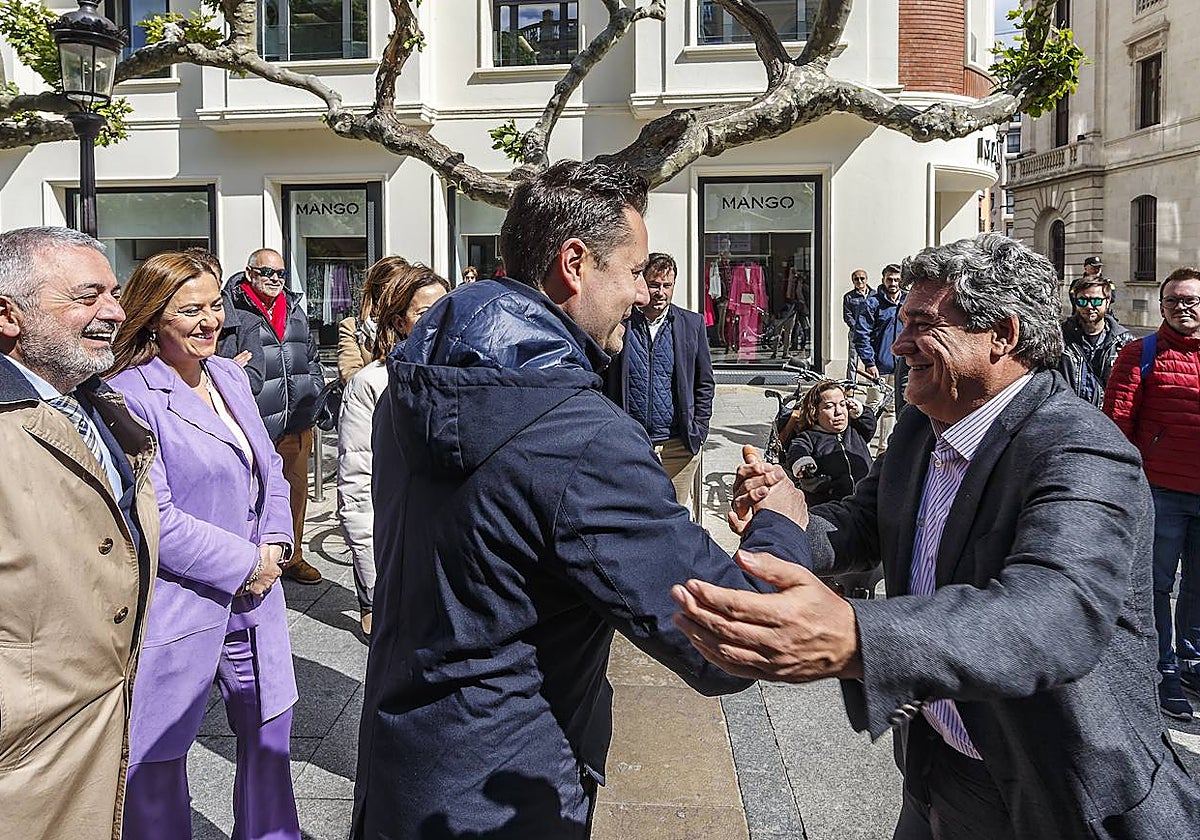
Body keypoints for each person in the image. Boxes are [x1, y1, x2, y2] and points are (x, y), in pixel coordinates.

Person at [674, 234, 1200, 839]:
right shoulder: (923, 426)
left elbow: (1056, 611)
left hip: (1054, 796)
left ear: (1001, 335)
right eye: (900, 323)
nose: (897, 345)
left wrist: (857, 637)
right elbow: (865, 523)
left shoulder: (1081, 448)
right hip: (935, 771)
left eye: (922, 325)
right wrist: (794, 521)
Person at [352, 160, 807, 839]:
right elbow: (733, 641)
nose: (640, 292)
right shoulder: (580, 436)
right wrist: (780, 524)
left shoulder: (414, 381)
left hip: (403, 769)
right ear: (574, 263)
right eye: (630, 270)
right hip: (506, 796)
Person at [107, 251, 301, 840]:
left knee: (270, 742)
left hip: (258, 600)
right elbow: (156, 517)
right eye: (190, 310)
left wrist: (278, 545)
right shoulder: (127, 394)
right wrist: (249, 563)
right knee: (157, 761)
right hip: (181, 602)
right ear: (151, 317)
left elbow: (269, 468)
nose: (210, 320)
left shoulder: (230, 376)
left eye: (216, 305)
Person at [0, 227, 159, 839]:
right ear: (8, 315)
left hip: (97, 738)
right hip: (22, 766)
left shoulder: (99, 405)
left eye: (115, 294)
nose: (115, 313)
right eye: (87, 296)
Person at [1104, 267, 1200, 721]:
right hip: (1159, 492)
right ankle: (1162, 670)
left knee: (1199, 587)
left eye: (1192, 300)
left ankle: (1193, 664)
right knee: (1156, 586)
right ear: (1162, 306)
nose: (1184, 307)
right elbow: (1117, 427)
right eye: (1175, 300)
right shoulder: (1140, 353)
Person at [338, 262, 449, 637]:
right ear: (400, 322)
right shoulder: (371, 384)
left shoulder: (468, 376)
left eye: (445, 307)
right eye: (424, 312)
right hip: (401, 559)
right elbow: (356, 487)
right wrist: (375, 581)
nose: (438, 320)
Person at [221, 248, 324, 584]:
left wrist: (315, 389)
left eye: (281, 273)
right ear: (250, 273)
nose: (276, 280)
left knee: (295, 491)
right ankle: (255, 559)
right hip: (256, 421)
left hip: (296, 418)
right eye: (268, 273)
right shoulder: (232, 309)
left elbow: (310, 354)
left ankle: (293, 557)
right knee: (254, 494)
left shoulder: (294, 308)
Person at [603, 251, 714, 510]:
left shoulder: (691, 324)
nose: (661, 292)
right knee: (633, 512)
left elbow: (704, 383)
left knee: (673, 517)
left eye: (667, 285)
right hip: (631, 444)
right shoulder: (622, 321)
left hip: (678, 446)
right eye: (654, 284)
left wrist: (699, 430)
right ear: (642, 282)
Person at [780, 380, 876, 507]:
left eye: (843, 405)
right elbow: (797, 449)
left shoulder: (855, 430)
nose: (839, 412)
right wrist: (803, 463)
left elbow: (870, 424)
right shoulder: (809, 437)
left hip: (865, 501)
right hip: (831, 506)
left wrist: (860, 411)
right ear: (814, 412)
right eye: (829, 406)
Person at [1056, 275, 1133, 407]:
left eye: (1096, 301)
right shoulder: (1059, 337)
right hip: (1069, 415)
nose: (1089, 306)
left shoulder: (1124, 341)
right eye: (1082, 301)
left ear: (1107, 302)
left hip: (1107, 417)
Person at [853, 263, 906, 450]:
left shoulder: (906, 303)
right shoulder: (872, 303)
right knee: (874, 405)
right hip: (878, 365)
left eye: (897, 280)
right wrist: (869, 362)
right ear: (883, 279)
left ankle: (884, 448)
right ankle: (862, 444)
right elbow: (861, 335)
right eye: (890, 279)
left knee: (891, 407)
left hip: (902, 365)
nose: (893, 283)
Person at [338, 256, 409, 385]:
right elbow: (349, 374)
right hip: (370, 400)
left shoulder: (410, 323)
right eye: (387, 287)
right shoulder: (353, 327)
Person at [842, 269, 870, 382]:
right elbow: (847, 316)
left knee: (873, 359)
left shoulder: (875, 295)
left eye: (862, 278)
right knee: (853, 359)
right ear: (852, 281)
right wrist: (857, 328)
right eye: (856, 279)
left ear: (866, 279)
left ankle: (873, 384)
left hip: (871, 332)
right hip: (856, 333)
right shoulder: (849, 297)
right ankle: (850, 385)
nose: (859, 281)